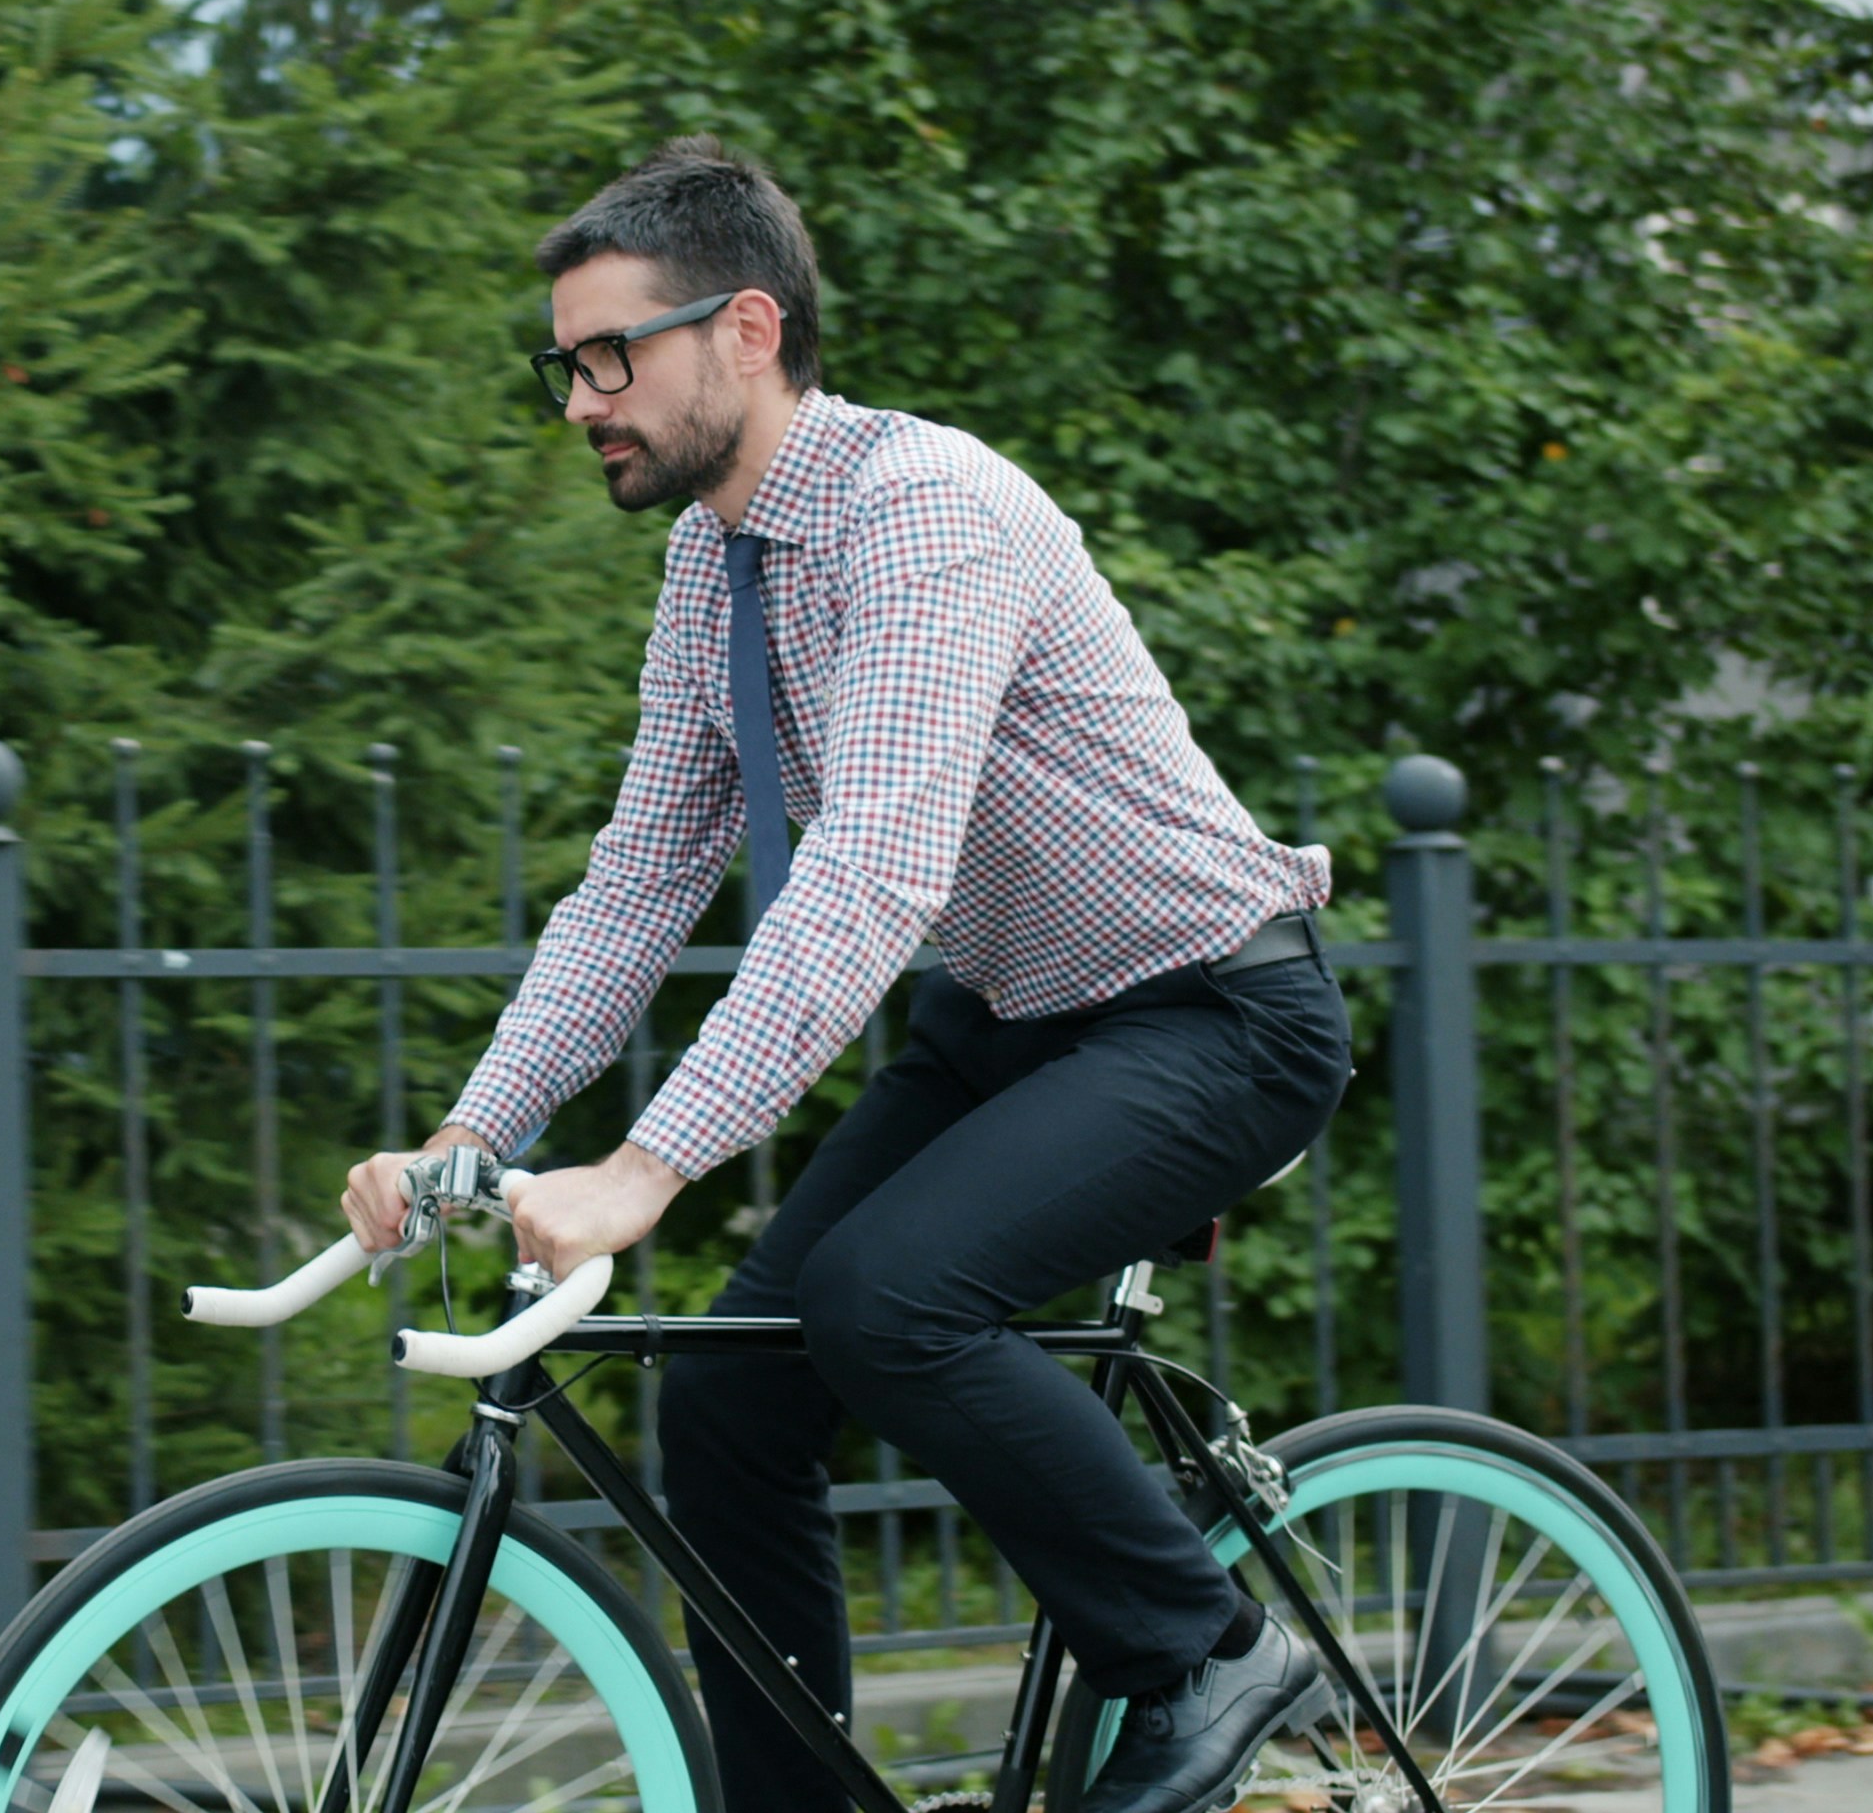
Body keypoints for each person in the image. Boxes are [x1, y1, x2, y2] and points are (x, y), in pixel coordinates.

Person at [340, 137, 1352, 1813]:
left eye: (615, 355)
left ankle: (1201, 1650)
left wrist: (646, 1169)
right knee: (736, 1404)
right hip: (1014, 1025)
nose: (584, 397)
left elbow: (877, 872)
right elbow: (640, 883)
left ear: (747, 327)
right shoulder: (711, 566)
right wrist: (473, 1136)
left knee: (889, 1301)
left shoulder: (924, 513)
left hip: (1210, 1009)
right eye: (565, 365)